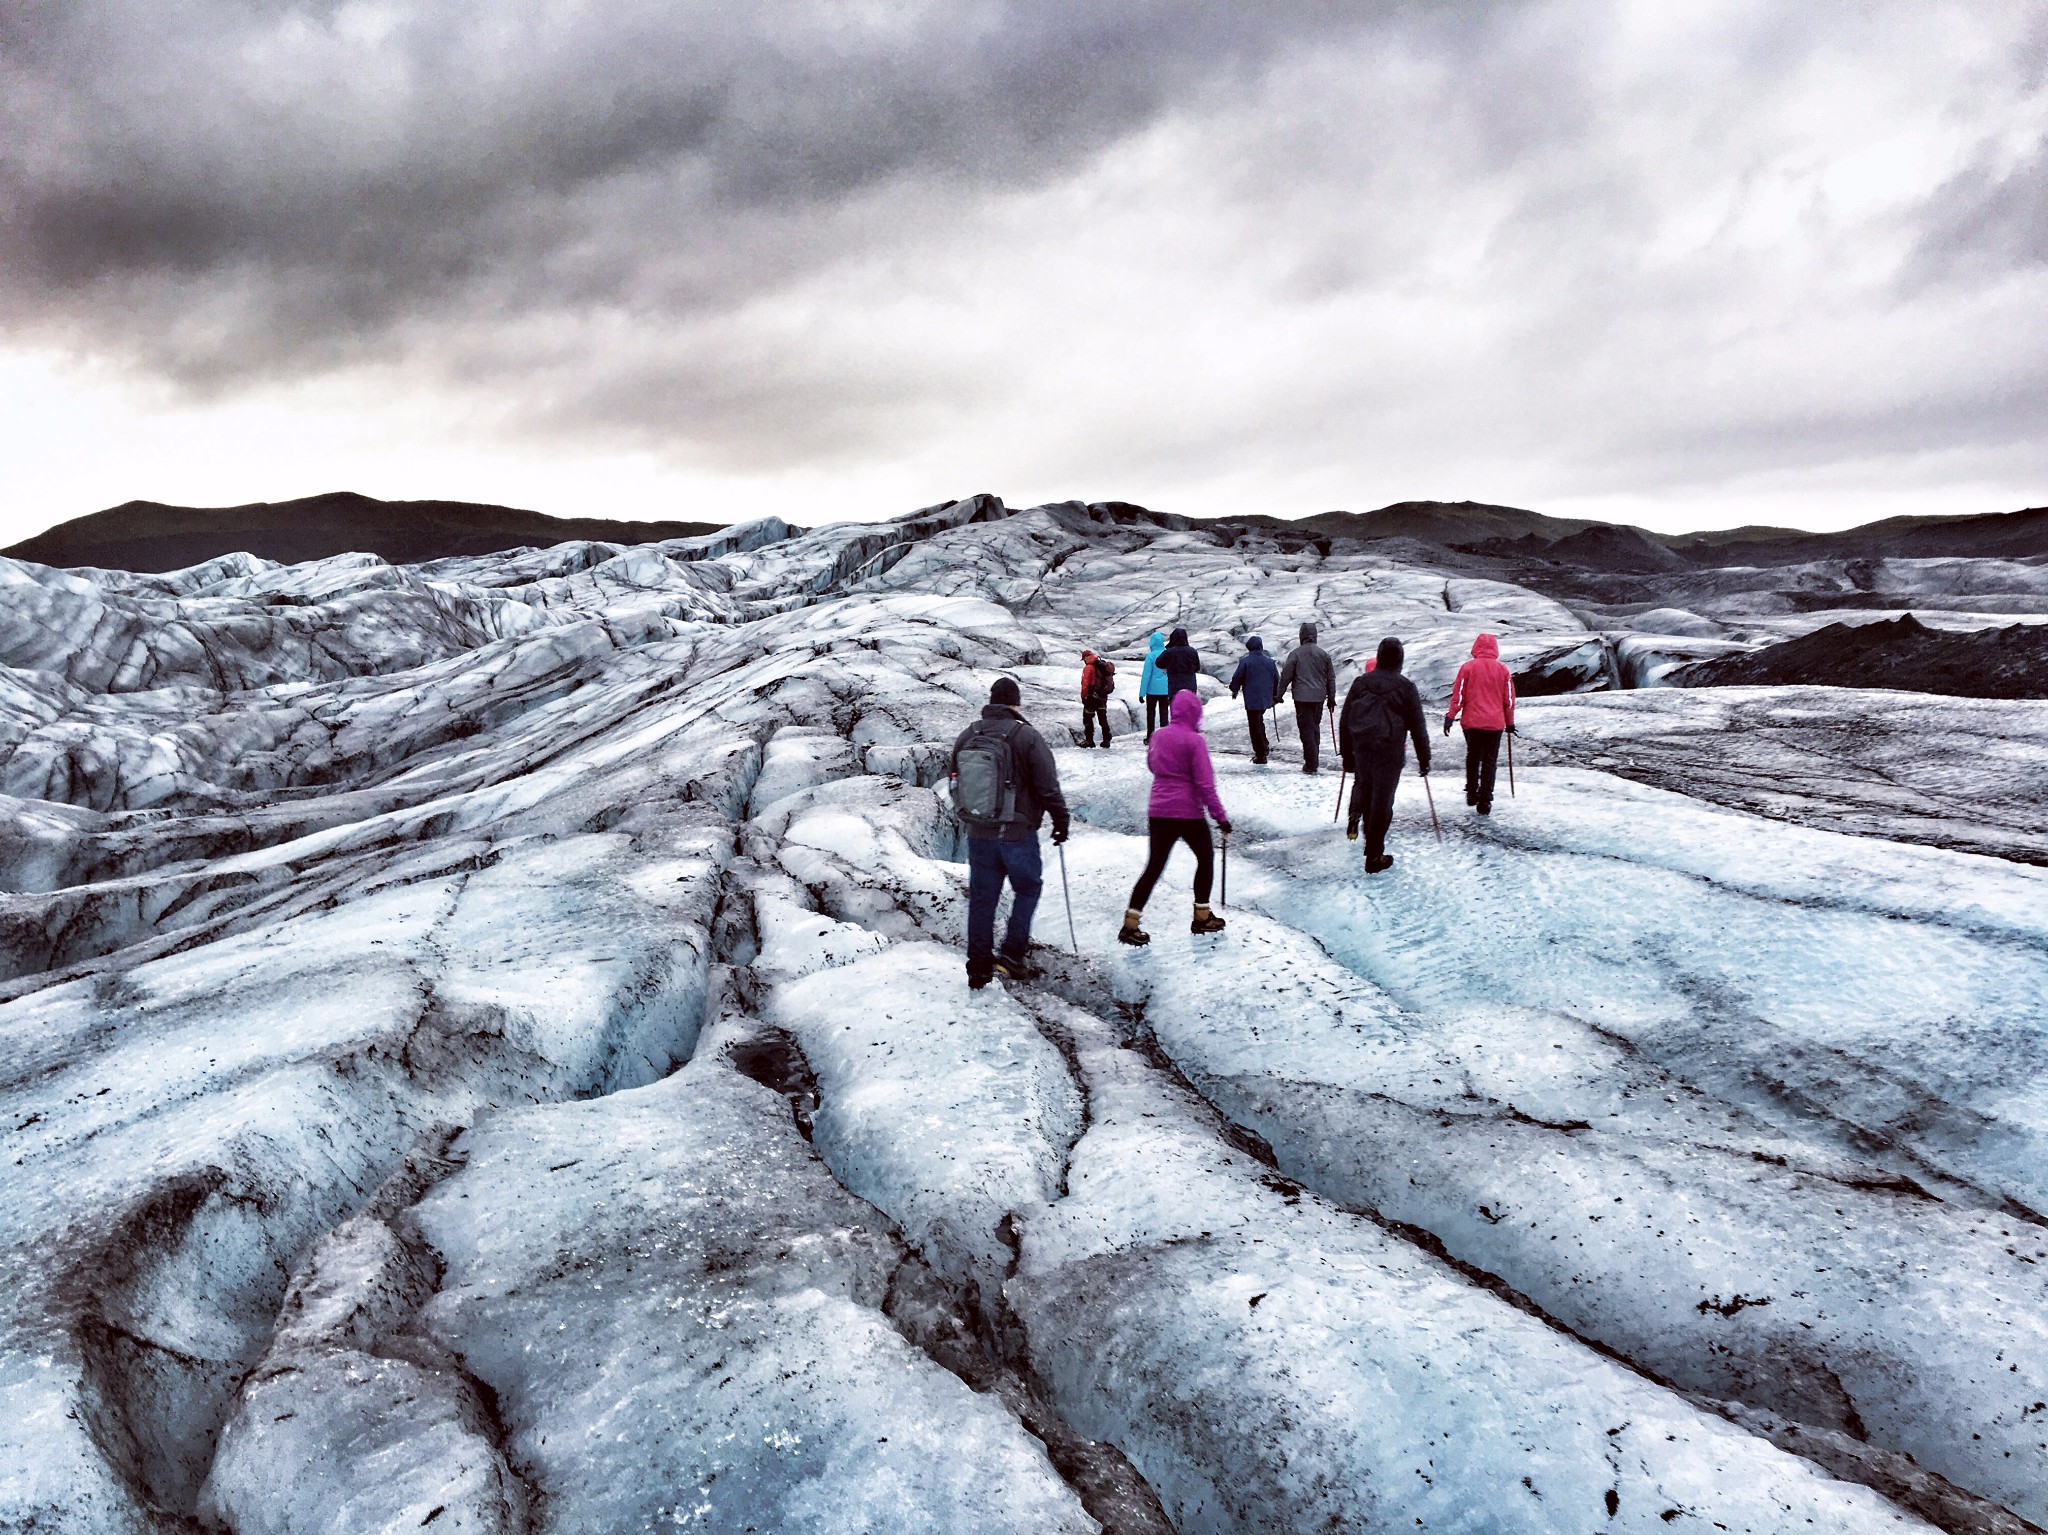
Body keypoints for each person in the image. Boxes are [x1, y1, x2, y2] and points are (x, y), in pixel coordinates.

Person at [950, 677, 1071, 988]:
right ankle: (1011, 957)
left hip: (979, 833)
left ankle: (978, 967)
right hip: (1017, 833)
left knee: (982, 900)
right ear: (1015, 703)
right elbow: (1047, 786)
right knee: (1027, 889)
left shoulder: (968, 734)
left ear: (992, 702)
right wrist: (1061, 819)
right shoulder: (1026, 736)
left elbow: (955, 783)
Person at [1118, 690, 1231, 944]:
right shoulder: (1194, 741)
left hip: (1159, 810)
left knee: (1154, 866)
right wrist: (1220, 817)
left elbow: (1152, 765)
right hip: (1188, 812)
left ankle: (1130, 923)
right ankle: (1201, 916)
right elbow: (1205, 784)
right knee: (1205, 857)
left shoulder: (1159, 735)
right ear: (1195, 712)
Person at [1338, 637, 1431, 874]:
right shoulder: (1406, 687)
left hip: (1363, 749)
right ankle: (1374, 854)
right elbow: (1418, 726)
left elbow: (1345, 719)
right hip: (1389, 752)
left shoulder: (1361, 683)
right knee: (1382, 802)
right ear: (1399, 659)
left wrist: (1347, 756)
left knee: (1367, 793)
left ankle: (1369, 843)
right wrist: (1424, 758)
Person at [1443, 632, 1516, 814]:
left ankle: (1472, 791)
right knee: (1490, 760)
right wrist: (1510, 722)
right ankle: (1485, 799)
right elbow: (1509, 699)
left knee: (1473, 756)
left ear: (1476, 646)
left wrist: (1451, 716)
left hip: (1472, 723)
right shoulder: (1503, 670)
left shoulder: (1467, 668)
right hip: (1495, 724)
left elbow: (1458, 695)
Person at [1277, 622, 1336, 774]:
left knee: (1306, 730)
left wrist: (1279, 695)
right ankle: (1313, 759)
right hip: (1319, 697)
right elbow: (1331, 678)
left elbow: (1286, 677)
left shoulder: (1295, 654)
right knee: (1314, 728)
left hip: (1302, 698)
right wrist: (1331, 698)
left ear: (1301, 636)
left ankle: (1311, 764)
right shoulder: (1324, 655)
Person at [1228, 635, 1280, 764]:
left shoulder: (1246, 661)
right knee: (1258, 720)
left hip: (1251, 698)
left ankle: (1261, 753)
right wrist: (1275, 695)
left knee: (1254, 724)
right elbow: (1276, 679)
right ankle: (1264, 745)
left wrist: (1234, 689)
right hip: (1265, 697)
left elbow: (1237, 677)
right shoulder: (1270, 662)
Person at [1080, 649, 1116, 748]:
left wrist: (1084, 696)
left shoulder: (1089, 667)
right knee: (1102, 717)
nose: (1084, 661)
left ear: (1086, 657)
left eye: (1084, 659)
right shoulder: (1101, 665)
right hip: (1103, 696)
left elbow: (1085, 683)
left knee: (1087, 717)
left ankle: (1089, 741)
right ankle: (1106, 739)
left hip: (1092, 696)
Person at [1139, 632, 1171, 739]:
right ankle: (1165, 737)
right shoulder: (1167, 654)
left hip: (1152, 691)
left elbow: (1146, 676)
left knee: (1151, 714)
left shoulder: (1151, 656)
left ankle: (1150, 737)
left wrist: (1141, 693)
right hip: (1165, 690)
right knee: (1164, 714)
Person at [1159, 627, 1202, 698]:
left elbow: (1159, 663)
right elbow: (1197, 668)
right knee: (1189, 706)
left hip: (1174, 686)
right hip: (1190, 686)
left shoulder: (1169, 652)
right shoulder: (1192, 651)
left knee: (1176, 707)